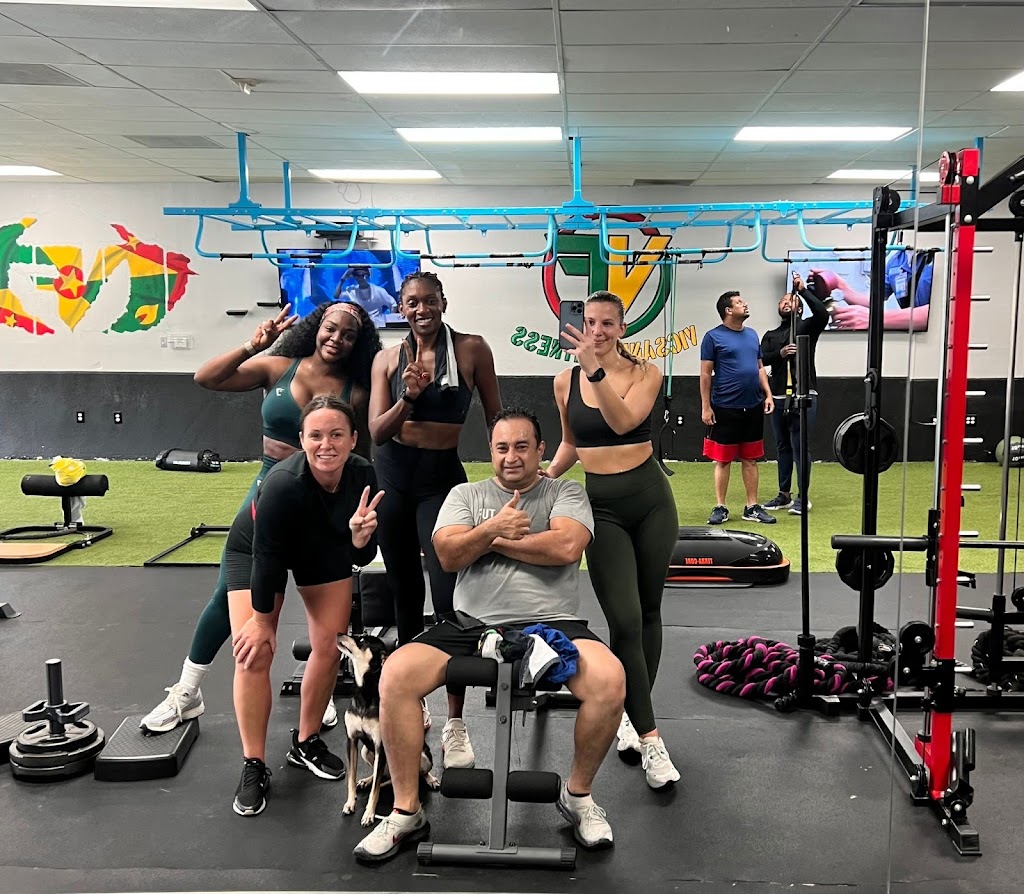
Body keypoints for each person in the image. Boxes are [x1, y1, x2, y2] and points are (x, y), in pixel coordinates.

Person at [353, 408, 625, 864]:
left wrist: (486, 541)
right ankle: (406, 811)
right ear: (490, 451)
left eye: (522, 446)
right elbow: (447, 555)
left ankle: (578, 796)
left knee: (610, 679)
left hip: (552, 621)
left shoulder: (565, 492)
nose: (511, 456)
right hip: (471, 623)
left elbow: (566, 546)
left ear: (541, 450)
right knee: (396, 674)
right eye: (502, 447)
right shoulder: (466, 494)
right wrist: (494, 527)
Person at [140, 301, 382, 735]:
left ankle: (320, 694)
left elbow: (360, 454)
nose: (337, 338)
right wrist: (253, 345)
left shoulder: (356, 391)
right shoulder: (277, 367)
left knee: (328, 605)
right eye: (331, 328)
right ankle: (187, 691)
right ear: (316, 327)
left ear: (358, 343)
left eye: (349, 334)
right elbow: (207, 378)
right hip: (271, 488)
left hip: (320, 499)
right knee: (229, 592)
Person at [545, 290, 681, 789]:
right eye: (590, 322)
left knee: (648, 612)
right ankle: (651, 738)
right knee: (624, 620)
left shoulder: (647, 373)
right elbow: (572, 442)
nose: (597, 331)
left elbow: (624, 422)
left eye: (607, 323)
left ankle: (634, 714)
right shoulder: (565, 381)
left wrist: (595, 371)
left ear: (623, 328)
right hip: (601, 508)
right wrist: (544, 480)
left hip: (651, 502)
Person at [368, 270, 502, 763]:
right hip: (393, 478)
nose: (421, 309)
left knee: (448, 597)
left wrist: (509, 470)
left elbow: (495, 416)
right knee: (404, 593)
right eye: (412, 302)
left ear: (443, 302)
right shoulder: (387, 360)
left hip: (441, 480)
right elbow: (377, 432)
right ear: (400, 308)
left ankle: (456, 721)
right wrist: (409, 396)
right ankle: (413, 701)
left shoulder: (471, 349)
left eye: (429, 300)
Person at [229, 395, 383, 817]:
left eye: (336, 435)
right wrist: (263, 622)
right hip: (257, 551)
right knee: (255, 651)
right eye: (315, 435)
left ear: (353, 439)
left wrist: (359, 539)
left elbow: (363, 555)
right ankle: (253, 763)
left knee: (331, 645)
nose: (326, 445)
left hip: (322, 548)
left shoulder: (363, 475)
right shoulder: (282, 484)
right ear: (301, 439)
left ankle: (306, 741)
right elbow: (267, 559)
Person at [700, 291, 775, 526]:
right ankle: (720, 507)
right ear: (728, 310)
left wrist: (768, 394)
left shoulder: (752, 335)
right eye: (740, 302)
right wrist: (706, 407)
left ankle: (752, 507)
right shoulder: (713, 337)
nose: (745, 304)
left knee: (750, 459)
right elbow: (705, 374)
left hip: (752, 406)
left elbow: (760, 367)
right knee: (722, 460)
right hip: (725, 407)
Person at [759, 272, 830, 516]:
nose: (785, 302)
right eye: (782, 301)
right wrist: (779, 354)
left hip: (803, 395)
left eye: (790, 299)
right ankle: (784, 494)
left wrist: (803, 291)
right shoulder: (770, 335)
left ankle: (803, 497)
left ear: (799, 307)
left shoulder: (807, 328)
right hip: (778, 396)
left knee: (800, 446)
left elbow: (822, 314)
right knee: (782, 447)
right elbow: (761, 359)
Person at [817, 248, 935, 331]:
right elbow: (874, 301)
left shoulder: (940, 254)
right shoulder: (898, 259)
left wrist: (874, 320)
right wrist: (841, 287)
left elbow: (940, 313)